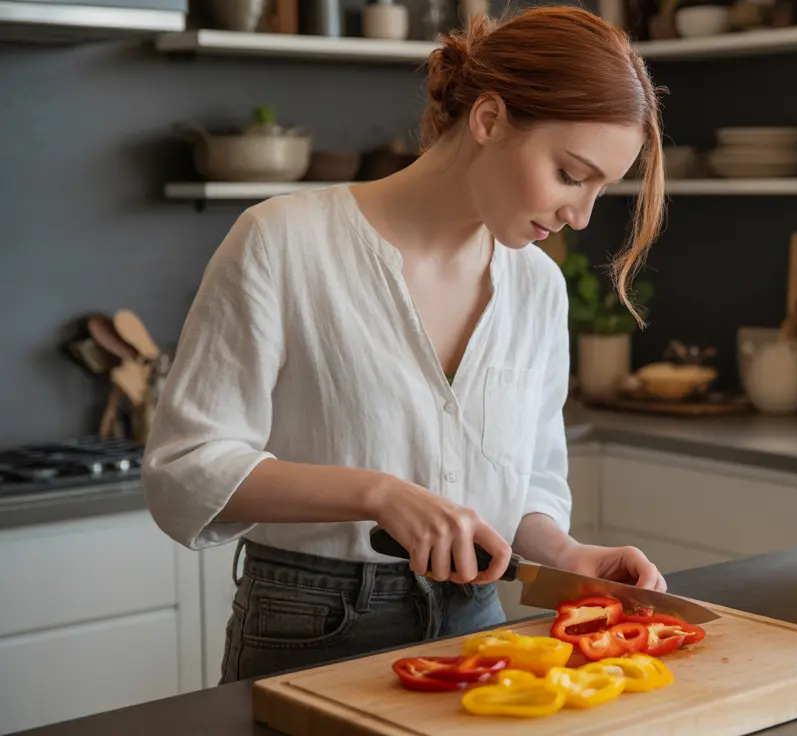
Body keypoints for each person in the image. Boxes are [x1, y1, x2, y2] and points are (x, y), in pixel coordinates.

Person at [141, 6, 669, 684]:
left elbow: (529, 478)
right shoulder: (285, 242)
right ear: (488, 120)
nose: (581, 214)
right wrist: (376, 493)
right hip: (311, 628)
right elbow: (186, 468)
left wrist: (566, 553)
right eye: (571, 174)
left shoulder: (536, 285)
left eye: (602, 188)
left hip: (479, 623)